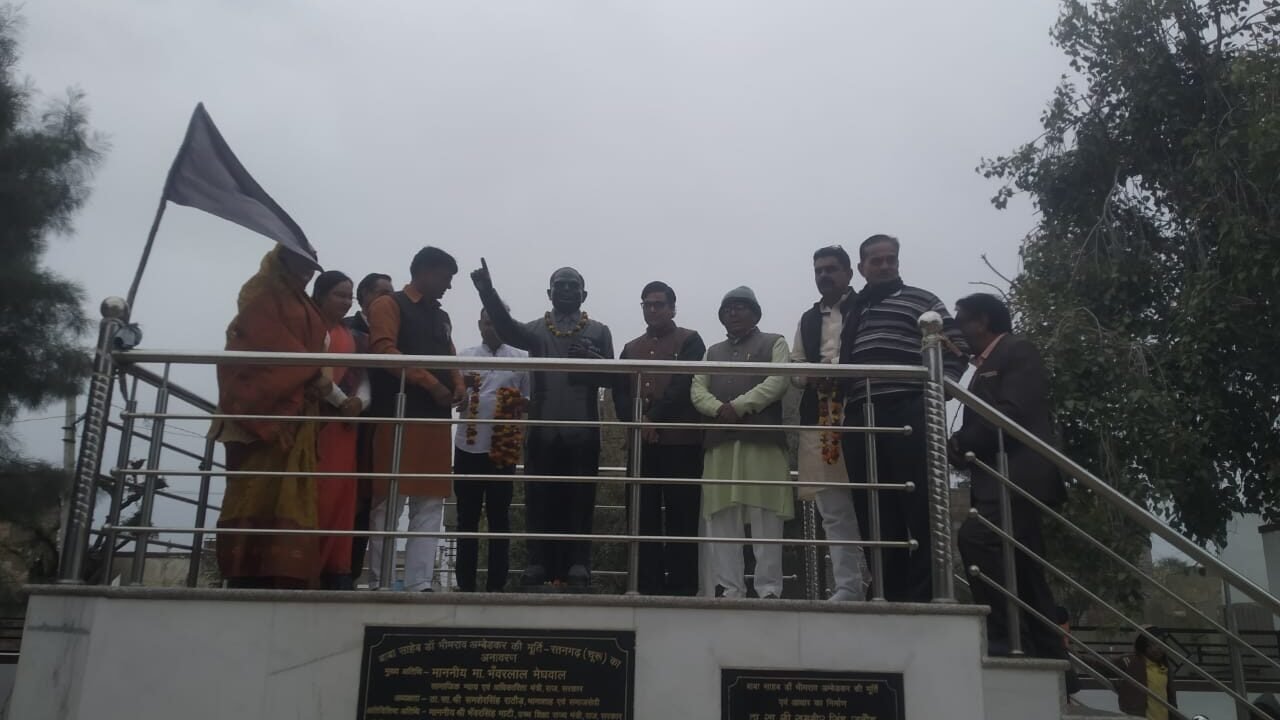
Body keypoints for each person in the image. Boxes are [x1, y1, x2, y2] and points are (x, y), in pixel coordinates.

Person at [839, 234, 969, 602]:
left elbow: (957, 347)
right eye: (876, 261)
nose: (884, 266)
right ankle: (886, 591)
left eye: (890, 260)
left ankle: (926, 594)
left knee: (921, 503)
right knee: (872, 506)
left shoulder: (922, 300)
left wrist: (938, 391)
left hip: (909, 409)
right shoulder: (855, 308)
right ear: (862, 267)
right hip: (860, 413)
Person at [471, 259, 614, 590]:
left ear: (584, 294)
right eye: (559, 285)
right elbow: (507, 328)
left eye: (573, 285)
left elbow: (614, 376)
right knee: (538, 497)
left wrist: (592, 360)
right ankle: (536, 562)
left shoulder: (599, 331)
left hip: (582, 429)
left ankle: (579, 562)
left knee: (581, 498)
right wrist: (487, 292)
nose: (566, 290)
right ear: (548, 293)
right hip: (542, 430)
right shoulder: (536, 330)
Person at [950, 293, 1068, 656]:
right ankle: (1051, 659)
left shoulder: (1017, 351)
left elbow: (1011, 413)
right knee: (1026, 573)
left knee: (977, 539)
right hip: (998, 480)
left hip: (1018, 479)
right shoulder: (988, 362)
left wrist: (961, 442)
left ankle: (1004, 636)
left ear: (982, 321)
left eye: (962, 321)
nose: (958, 331)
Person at [213, 246, 328, 589]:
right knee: (252, 491)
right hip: (257, 411)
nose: (307, 272)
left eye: (312, 266)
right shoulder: (259, 291)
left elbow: (308, 352)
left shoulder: (303, 302)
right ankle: (244, 576)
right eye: (301, 264)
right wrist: (312, 371)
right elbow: (263, 342)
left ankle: (287, 574)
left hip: (298, 411)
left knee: (291, 492)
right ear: (283, 260)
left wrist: (315, 375)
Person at [366, 247, 464, 592]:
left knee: (431, 501)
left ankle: (419, 582)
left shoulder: (441, 315)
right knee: (388, 500)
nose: (448, 286)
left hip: (435, 421)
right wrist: (430, 382)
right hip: (397, 417)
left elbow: (450, 354)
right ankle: (380, 581)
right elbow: (384, 352)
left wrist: (458, 384)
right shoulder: (389, 304)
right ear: (425, 272)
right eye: (445, 278)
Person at [691, 287, 793, 599]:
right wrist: (718, 409)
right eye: (727, 309)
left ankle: (769, 590)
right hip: (720, 445)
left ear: (755, 313)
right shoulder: (712, 352)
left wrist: (739, 406)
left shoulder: (774, 342)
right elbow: (697, 389)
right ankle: (729, 589)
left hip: (762, 444)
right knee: (722, 516)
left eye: (740, 307)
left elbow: (778, 380)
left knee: (766, 515)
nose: (733, 313)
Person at [614, 281, 706, 596]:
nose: (652, 310)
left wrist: (652, 419)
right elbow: (620, 392)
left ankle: (683, 588)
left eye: (659, 304)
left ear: (672, 308)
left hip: (681, 443)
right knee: (642, 516)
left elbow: (684, 385)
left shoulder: (690, 340)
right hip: (641, 446)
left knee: (683, 515)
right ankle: (645, 585)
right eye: (647, 304)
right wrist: (637, 422)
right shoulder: (630, 348)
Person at [790, 246, 867, 602]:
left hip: (863, 413)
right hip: (818, 417)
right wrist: (810, 376)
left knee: (874, 501)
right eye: (818, 270)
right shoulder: (808, 318)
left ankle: (883, 582)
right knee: (833, 510)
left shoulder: (866, 307)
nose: (824, 275)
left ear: (849, 273)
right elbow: (795, 366)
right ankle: (848, 587)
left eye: (831, 269)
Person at [453, 308, 530, 592]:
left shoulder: (523, 358)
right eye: (488, 322)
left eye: (497, 322)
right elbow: (455, 398)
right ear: (479, 324)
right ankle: (465, 586)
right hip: (467, 446)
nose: (492, 327)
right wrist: (461, 399)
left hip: (503, 448)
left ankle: (497, 586)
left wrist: (516, 405)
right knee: (466, 519)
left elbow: (530, 401)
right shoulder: (465, 356)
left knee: (500, 518)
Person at [311, 270, 370, 590]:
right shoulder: (311, 329)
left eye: (349, 296)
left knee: (343, 495)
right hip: (316, 422)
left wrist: (358, 401)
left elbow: (366, 378)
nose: (346, 302)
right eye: (339, 295)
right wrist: (341, 401)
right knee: (317, 491)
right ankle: (307, 564)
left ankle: (336, 566)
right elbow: (313, 374)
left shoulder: (354, 337)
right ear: (321, 294)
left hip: (347, 426)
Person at [344, 272, 393, 585]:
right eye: (381, 292)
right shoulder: (345, 328)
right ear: (362, 296)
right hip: (345, 423)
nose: (387, 299)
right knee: (342, 493)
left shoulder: (395, 329)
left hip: (383, 423)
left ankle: (351, 573)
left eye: (391, 293)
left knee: (371, 499)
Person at [1117, 627, 1177, 718]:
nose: (1158, 648)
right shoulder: (1132, 662)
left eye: (1161, 644)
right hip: (1142, 716)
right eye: (1153, 644)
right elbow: (1105, 667)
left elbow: (1170, 695)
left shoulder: (1164, 666)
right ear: (1144, 645)